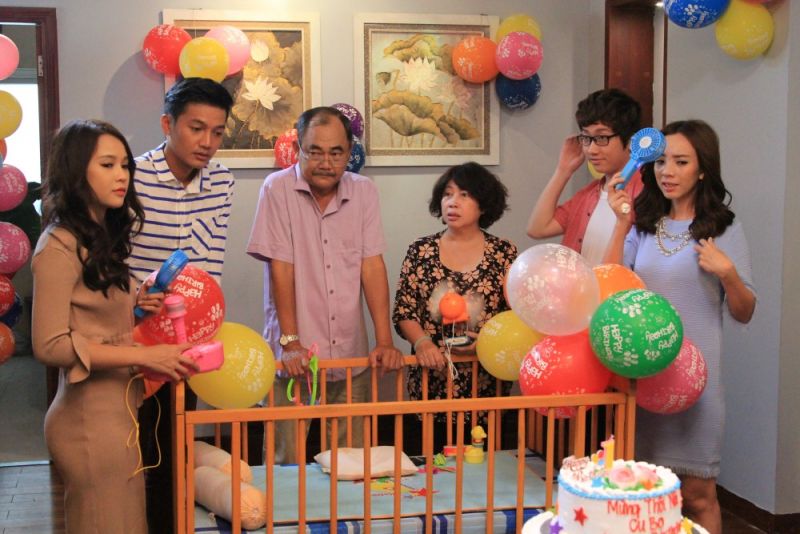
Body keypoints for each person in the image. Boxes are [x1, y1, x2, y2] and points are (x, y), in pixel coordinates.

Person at [31, 120, 195, 533]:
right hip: (88, 421)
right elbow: (49, 345)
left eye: (124, 165)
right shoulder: (58, 246)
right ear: (76, 171)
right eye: (107, 165)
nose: (122, 175)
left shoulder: (98, 240)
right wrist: (146, 355)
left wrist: (136, 311)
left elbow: (91, 325)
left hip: (118, 413)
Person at [605, 120, 756, 534]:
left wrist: (728, 274)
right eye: (661, 162)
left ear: (703, 169)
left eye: (681, 162)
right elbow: (611, 285)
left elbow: (744, 311)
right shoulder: (643, 225)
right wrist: (620, 223)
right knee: (642, 494)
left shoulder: (724, 228)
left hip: (698, 384)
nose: (667, 171)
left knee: (698, 495)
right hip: (643, 380)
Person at [247, 106, 403, 464]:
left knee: (352, 458)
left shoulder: (363, 192)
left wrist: (383, 341)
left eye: (336, 153)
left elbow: (371, 266)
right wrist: (290, 342)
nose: (326, 163)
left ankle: (347, 506)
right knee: (285, 458)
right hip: (295, 353)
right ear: (297, 149)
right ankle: (284, 505)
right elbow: (280, 267)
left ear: (349, 153)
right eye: (314, 152)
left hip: (349, 347)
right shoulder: (277, 188)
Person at [131, 77, 234, 534]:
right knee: (131, 449)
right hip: (131, 335)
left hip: (184, 339)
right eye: (196, 128)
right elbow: (111, 257)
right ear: (167, 124)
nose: (207, 142)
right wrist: (133, 299)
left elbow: (211, 264)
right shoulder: (131, 176)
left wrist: (203, 327)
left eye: (217, 131)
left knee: (173, 448)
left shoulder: (222, 182)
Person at [392, 162, 517, 453]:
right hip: (431, 381)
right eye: (447, 194)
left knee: (484, 463)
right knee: (432, 464)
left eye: (464, 195)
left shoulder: (504, 252)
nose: (453, 202)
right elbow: (404, 310)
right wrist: (422, 343)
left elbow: (514, 317)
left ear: (483, 204)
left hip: (486, 382)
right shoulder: (420, 250)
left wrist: (485, 343)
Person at [527, 88, 643, 266]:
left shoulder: (646, 191)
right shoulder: (589, 194)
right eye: (586, 138)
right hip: (581, 284)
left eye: (602, 138)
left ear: (630, 141)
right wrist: (563, 171)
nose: (591, 149)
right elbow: (537, 228)